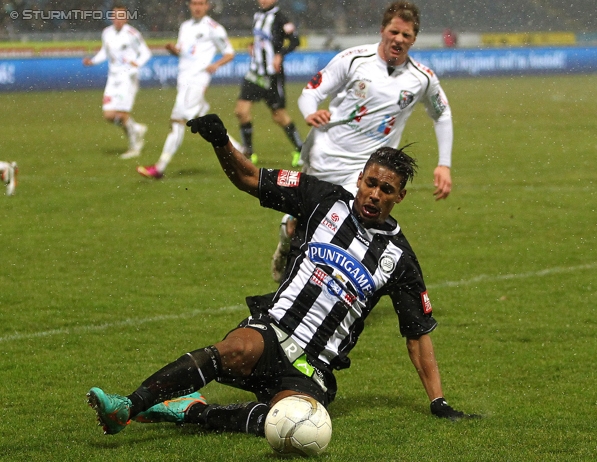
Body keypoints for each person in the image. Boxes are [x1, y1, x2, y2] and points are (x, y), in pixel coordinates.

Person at [87, 114, 476, 439]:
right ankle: (127, 406)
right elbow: (249, 178)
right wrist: (221, 141)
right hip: (272, 331)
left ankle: (190, 412)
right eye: (371, 183)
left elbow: (417, 334)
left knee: (288, 426)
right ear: (360, 179)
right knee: (233, 349)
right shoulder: (322, 198)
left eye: (386, 189)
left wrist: (437, 401)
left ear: (400, 197)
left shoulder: (399, 259)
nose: (375, 194)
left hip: (315, 367)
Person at [271, 1, 454, 282]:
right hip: (323, 156)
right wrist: (311, 113)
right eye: (394, 32)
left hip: (366, 171)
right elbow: (310, 92)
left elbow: (442, 116)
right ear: (383, 30)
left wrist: (444, 164)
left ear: (414, 39)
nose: (399, 39)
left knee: (348, 227)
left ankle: (324, 290)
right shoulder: (354, 59)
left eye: (406, 35)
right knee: (300, 224)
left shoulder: (422, 79)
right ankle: (288, 238)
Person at [136, 0, 235, 179]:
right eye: (194, 3)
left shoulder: (214, 27)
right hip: (184, 80)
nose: (197, 7)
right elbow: (182, 52)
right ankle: (240, 150)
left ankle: (159, 167)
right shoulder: (185, 26)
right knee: (205, 120)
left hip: (197, 80)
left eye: (201, 3)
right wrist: (173, 49)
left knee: (177, 121)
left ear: (207, 6)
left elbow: (229, 52)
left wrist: (216, 65)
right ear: (189, 6)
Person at [234, 0, 304, 166]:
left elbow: (295, 41)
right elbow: (262, 40)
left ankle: (301, 150)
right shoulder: (257, 16)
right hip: (254, 73)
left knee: (279, 116)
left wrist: (280, 54)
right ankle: (249, 153)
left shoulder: (281, 18)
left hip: (272, 76)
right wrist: (253, 45)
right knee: (241, 111)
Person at [83, 4, 151, 159]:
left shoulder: (132, 34)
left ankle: (135, 147)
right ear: (111, 17)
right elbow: (104, 52)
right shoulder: (107, 33)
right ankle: (136, 128)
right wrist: (92, 61)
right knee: (109, 115)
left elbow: (146, 53)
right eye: (115, 16)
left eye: (121, 16)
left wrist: (137, 63)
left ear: (126, 18)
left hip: (128, 77)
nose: (118, 19)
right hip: (113, 78)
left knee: (122, 114)